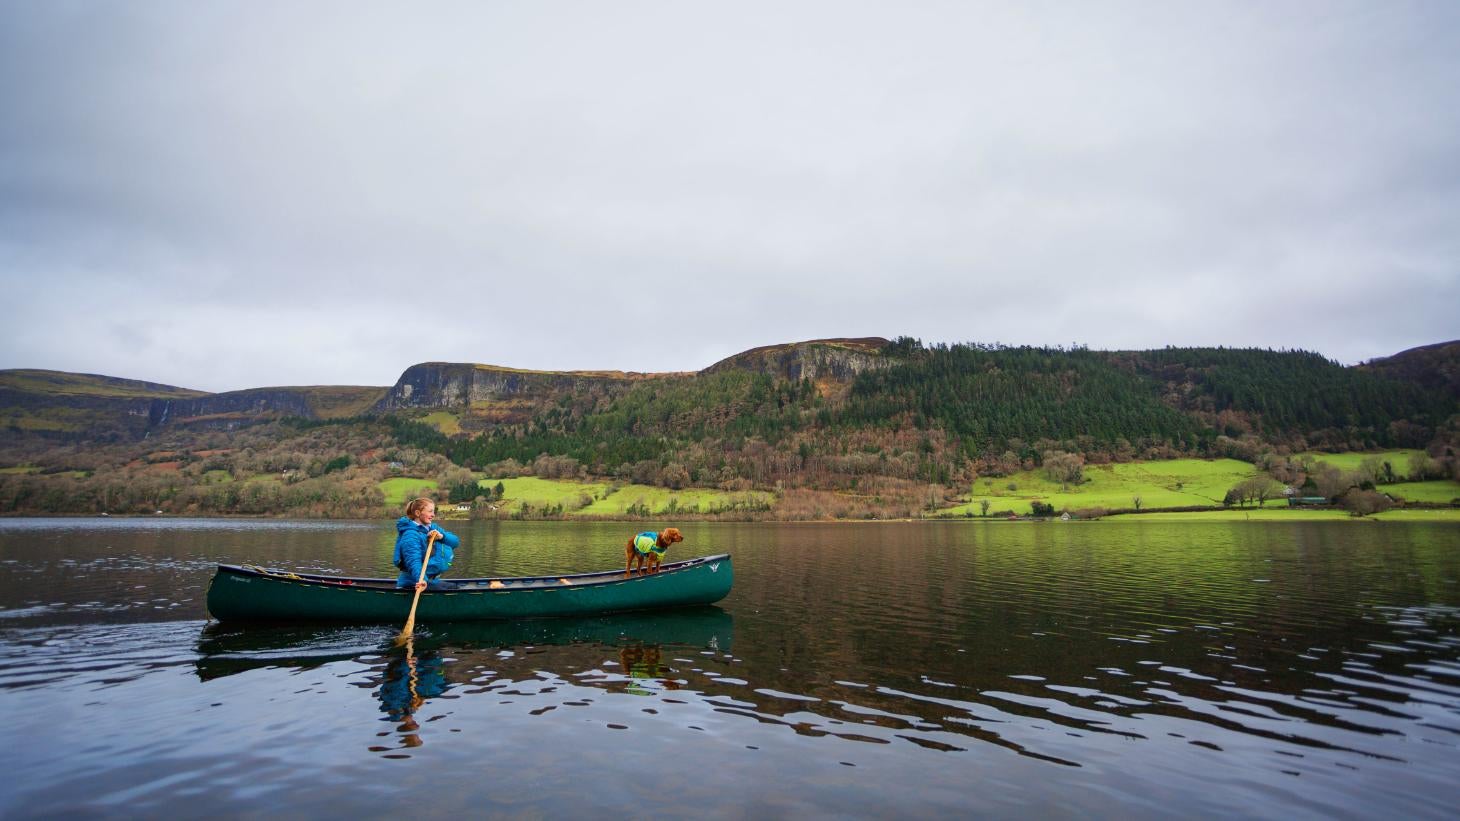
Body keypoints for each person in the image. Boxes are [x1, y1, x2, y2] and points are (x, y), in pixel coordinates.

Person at [393, 498, 460, 591]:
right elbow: (413, 561)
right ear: (418, 513)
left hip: (432, 581)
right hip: (415, 583)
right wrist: (422, 580)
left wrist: (442, 537)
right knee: (452, 591)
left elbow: (455, 542)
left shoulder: (433, 528)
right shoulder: (410, 535)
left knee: (454, 587)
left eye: (433, 511)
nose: (433, 515)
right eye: (430, 511)